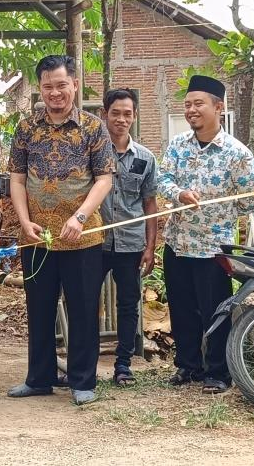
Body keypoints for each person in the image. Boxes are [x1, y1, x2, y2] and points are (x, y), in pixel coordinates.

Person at [7, 55, 114, 406]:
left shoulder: (93, 127)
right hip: (36, 235)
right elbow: (17, 179)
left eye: (61, 85)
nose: (55, 93)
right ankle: (39, 378)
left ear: (75, 85)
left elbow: (104, 179)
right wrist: (23, 221)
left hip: (81, 235)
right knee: (38, 307)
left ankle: (83, 380)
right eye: (48, 86)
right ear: (41, 88)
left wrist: (81, 217)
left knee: (83, 308)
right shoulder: (26, 128)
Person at [157, 75, 254, 394]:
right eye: (187, 105)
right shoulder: (177, 145)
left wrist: (224, 206)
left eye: (198, 104)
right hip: (178, 243)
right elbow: (161, 180)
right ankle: (188, 366)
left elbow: (252, 199)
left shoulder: (237, 153)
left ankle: (218, 372)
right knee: (182, 308)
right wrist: (178, 194)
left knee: (216, 310)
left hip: (213, 249)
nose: (191, 110)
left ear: (219, 107)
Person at [100, 89, 158, 387]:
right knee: (84, 301)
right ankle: (80, 362)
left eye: (127, 114)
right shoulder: (93, 152)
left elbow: (150, 204)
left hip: (131, 243)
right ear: (104, 114)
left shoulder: (146, 158)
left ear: (134, 117)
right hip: (94, 243)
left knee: (128, 304)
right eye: (116, 113)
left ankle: (123, 364)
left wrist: (150, 246)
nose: (121, 119)